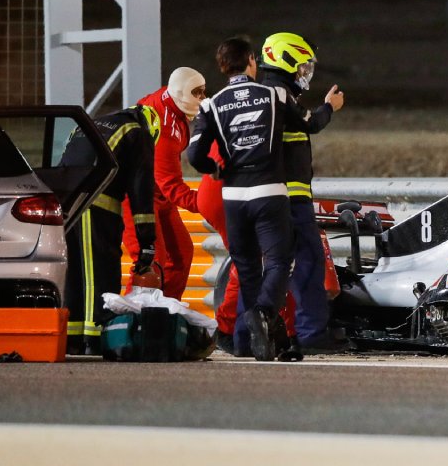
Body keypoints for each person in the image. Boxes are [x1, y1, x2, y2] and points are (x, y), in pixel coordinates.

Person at [186, 37, 319, 361]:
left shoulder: (211, 104)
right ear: (250, 61)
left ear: (222, 66)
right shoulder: (273, 94)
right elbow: (309, 123)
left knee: (246, 267)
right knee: (278, 261)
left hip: (232, 196)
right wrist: (329, 107)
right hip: (268, 191)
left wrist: (215, 168)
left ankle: (260, 342)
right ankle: (263, 313)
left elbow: (194, 154)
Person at [258, 32, 344, 354]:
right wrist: (329, 106)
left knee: (261, 267)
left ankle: (245, 336)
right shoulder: (280, 95)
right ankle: (311, 335)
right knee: (309, 261)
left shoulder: (260, 95)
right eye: (302, 65)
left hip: (260, 196)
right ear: (285, 60)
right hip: (291, 199)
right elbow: (312, 123)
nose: (305, 72)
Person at [63, 104, 160, 355]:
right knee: (100, 273)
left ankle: (71, 338)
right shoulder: (137, 132)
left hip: (65, 204)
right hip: (96, 206)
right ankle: (96, 338)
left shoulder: (89, 124)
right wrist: (147, 241)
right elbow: (141, 189)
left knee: (74, 274)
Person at [120, 67, 206, 300]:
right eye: (197, 92)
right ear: (181, 93)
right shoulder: (166, 131)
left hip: (154, 189)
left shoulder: (170, 97)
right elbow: (173, 187)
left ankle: (166, 311)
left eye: (202, 91)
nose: (202, 98)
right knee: (149, 261)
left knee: (181, 253)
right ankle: (134, 316)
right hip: (136, 194)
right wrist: (207, 203)